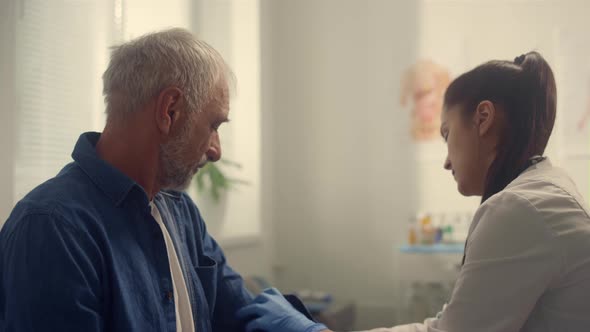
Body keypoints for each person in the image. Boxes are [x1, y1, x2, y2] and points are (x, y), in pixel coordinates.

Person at [236, 52, 590, 331]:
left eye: (447, 134)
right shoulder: (545, 190)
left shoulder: (518, 208)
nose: (447, 163)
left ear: (483, 118)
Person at [0, 28, 255, 331]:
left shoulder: (180, 211)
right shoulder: (52, 227)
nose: (216, 151)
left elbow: (239, 308)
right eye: (213, 125)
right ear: (169, 111)